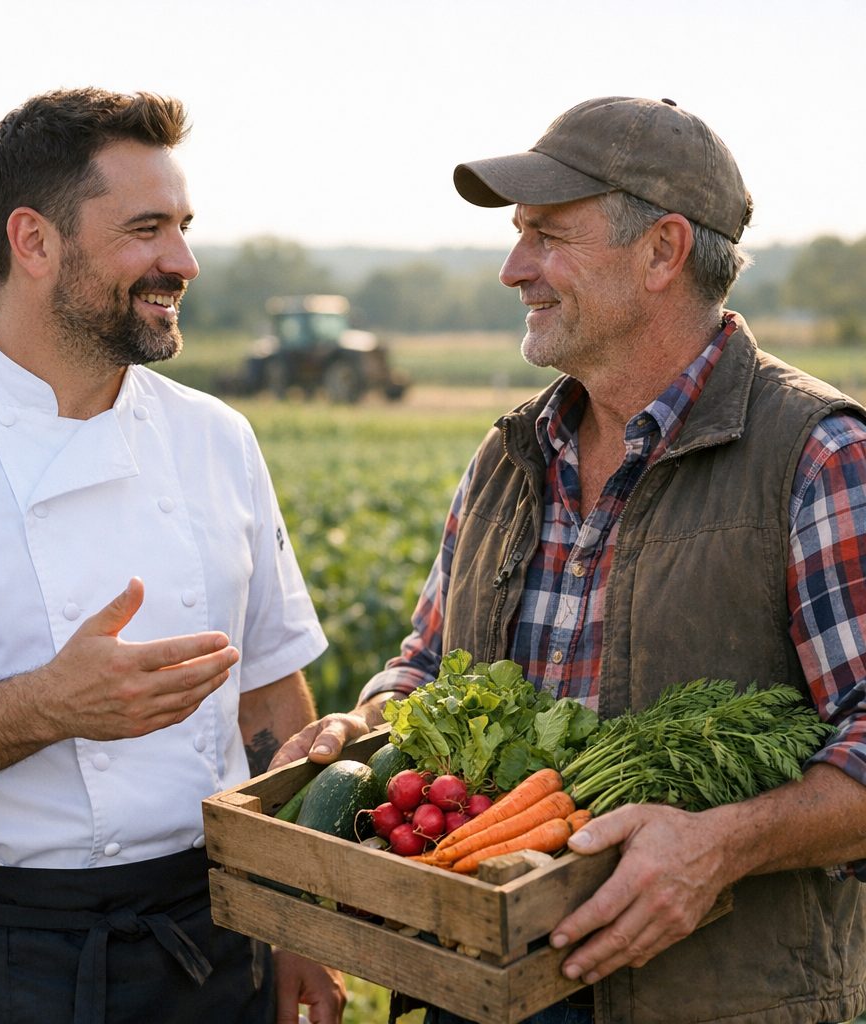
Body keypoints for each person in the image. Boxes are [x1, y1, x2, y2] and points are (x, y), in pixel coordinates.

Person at [273, 96, 866, 1024]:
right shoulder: (510, 455)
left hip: (706, 995)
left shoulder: (815, 455)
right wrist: (367, 725)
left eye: (548, 237)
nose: (515, 269)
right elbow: (426, 666)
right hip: (479, 978)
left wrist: (723, 843)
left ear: (664, 251)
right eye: (518, 237)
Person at [0, 87, 345, 1024]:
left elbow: (271, 693)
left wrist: (293, 926)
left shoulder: (217, 438)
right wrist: (48, 706)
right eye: (146, 229)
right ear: (33, 241)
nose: (183, 261)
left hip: (208, 948)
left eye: (184, 226)